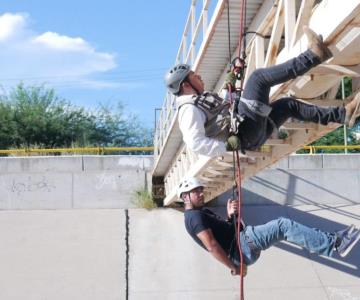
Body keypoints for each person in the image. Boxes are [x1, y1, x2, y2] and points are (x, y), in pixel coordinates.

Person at [165, 27, 360, 157]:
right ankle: (314, 55)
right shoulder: (188, 110)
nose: (198, 76)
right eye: (193, 75)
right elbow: (195, 143)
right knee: (259, 78)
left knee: (287, 105)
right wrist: (228, 146)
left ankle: (344, 114)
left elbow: (226, 108)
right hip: (244, 133)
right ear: (185, 85)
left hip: (251, 134)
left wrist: (233, 76)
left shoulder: (199, 101)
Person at [178, 177, 360, 276]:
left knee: (287, 228)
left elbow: (222, 236)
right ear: (185, 196)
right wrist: (233, 267)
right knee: (283, 225)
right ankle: (335, 244)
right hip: (242, 245)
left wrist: (229, 216)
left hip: (242, 242)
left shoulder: (200, 213)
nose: (201, 194)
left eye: (201, 190)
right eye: (196, 192)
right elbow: (212, 246)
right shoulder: (194, 218)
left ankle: (332, 240)